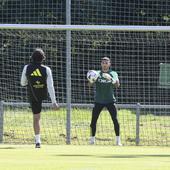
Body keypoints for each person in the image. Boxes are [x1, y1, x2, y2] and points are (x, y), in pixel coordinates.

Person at [20, 48, 59, 148]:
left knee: (36, 118)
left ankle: (38, 141)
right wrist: (54, 102)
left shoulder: (26, 67)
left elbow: (23, 83)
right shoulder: (46, 69)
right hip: (42, 94)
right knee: (37, 118)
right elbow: (50, 86)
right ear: (43, 58)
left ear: (32, 58)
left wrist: (32, 81)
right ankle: (37, 141)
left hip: (33, 95)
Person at [88, 57, 122, 146]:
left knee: (115, 120)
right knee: (93, 121)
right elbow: (90, 84)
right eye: (103, 62)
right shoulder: (97, 73)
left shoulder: (113, 73)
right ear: (101, 64)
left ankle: (118, 140)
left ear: (109, 64)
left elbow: (117, 85)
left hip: (110, 100)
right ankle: (92, 140)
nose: (105, 64)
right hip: (98, 101)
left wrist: (111, 79)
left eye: (106, 62)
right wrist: (92, 79)